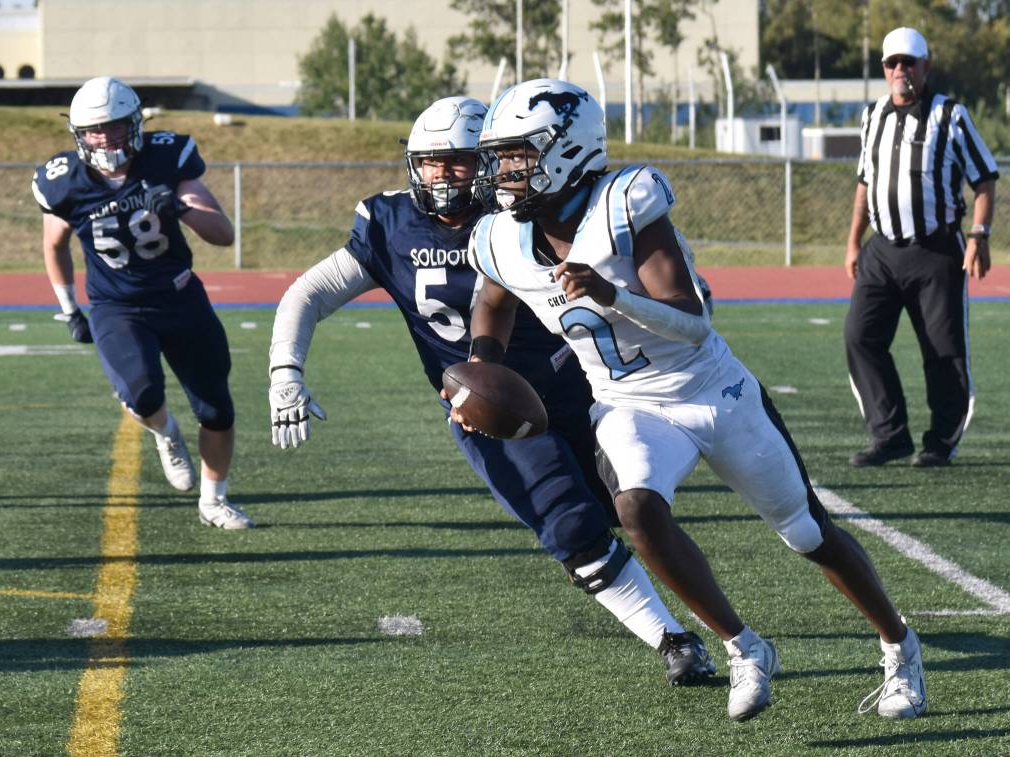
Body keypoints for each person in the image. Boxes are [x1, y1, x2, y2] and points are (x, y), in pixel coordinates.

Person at [466, 77, 927, 720]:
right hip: (630, 404)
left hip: (714, 390)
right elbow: (491, 302)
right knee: (635, 509)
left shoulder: (626, 202)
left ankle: (900, 648)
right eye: (501, 156)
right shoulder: (498, 239)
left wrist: (612, 296)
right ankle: (744, 647)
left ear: (565, 149)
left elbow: (691, 317)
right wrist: (480, 368)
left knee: (805, 533)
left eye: (518, 154)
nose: (504, 171)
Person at [268, 96, 725, 696]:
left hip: (582, 384)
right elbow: (308, 293)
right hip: (488, 406)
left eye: (457, 162)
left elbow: (638, 255)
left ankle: (724, 626)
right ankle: (674, 640)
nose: (443, 176)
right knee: (568, 525)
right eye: (429, 163)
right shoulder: (390, 224)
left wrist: (675, 288)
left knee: (634, 511)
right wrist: (285, 371)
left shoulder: (533, 210)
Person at [31, 76, 254, 529]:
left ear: (135, 122)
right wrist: (69, 307)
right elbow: (54, 245)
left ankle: (214, 500)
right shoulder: (63, 180)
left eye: (116, 125)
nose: (107, 137)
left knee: (216, 407)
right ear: (78, 134)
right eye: (96, 129)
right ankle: (166, 432)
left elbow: (223, 233)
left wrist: (178, 206)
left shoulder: (166, 157)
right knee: (141, 393)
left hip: (179, 296)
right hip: (118, 307)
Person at [844, 27, 998, 468]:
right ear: (884, 69)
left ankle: (941, 442)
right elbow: (864, 182)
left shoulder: (950, 115)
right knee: (860, 336)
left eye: (909, 62)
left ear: (925, 66)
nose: (900, 70)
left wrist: (979, 235)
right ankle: (890, 435)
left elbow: (984, 180)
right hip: (881, 250)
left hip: (935, 250)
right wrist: (853, 242)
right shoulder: (872, 116)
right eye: (892, 63)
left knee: (942, 349)